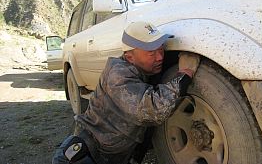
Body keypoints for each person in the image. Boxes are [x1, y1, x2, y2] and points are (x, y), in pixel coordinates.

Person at [52, 21, 200, 164]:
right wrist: (185, 73)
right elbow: (154, 109)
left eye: (161, 49)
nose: (160, 57)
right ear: (130, 57)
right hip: (85, 157)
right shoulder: (118, 75)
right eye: (151, 53)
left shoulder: (140, 68)